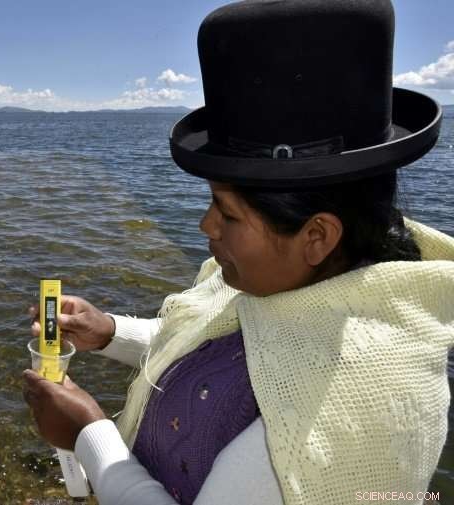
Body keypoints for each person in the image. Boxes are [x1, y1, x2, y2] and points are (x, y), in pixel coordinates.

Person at [22, 1, 454, 504]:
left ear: (317, 236)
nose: (206, 225)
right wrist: (110, 332)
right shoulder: (301, 286)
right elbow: (214, 351)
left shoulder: (346, 411)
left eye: (227, 213)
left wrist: (89, 435)